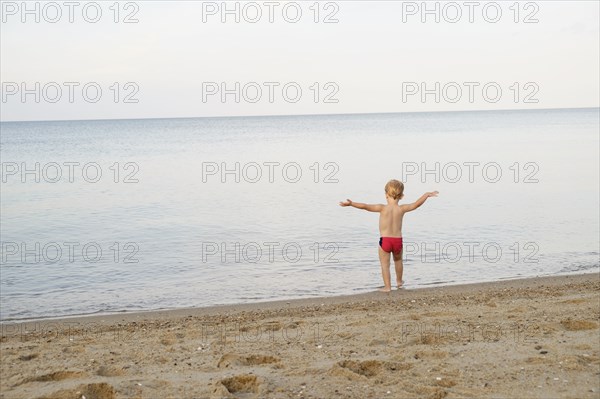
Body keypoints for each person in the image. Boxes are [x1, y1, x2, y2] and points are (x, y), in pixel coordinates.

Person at [339, 180, 438, 292]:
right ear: (402, 196)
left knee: (385, 265)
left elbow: (365, 206)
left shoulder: (382, 208)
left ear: (386, 194)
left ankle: (387, 287)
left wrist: (351, 204)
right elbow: (416, 204)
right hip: (398, 241)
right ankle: (399, 282)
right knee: (398, 261)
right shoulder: (402, 209)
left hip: (385, 241)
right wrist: (426, 195)